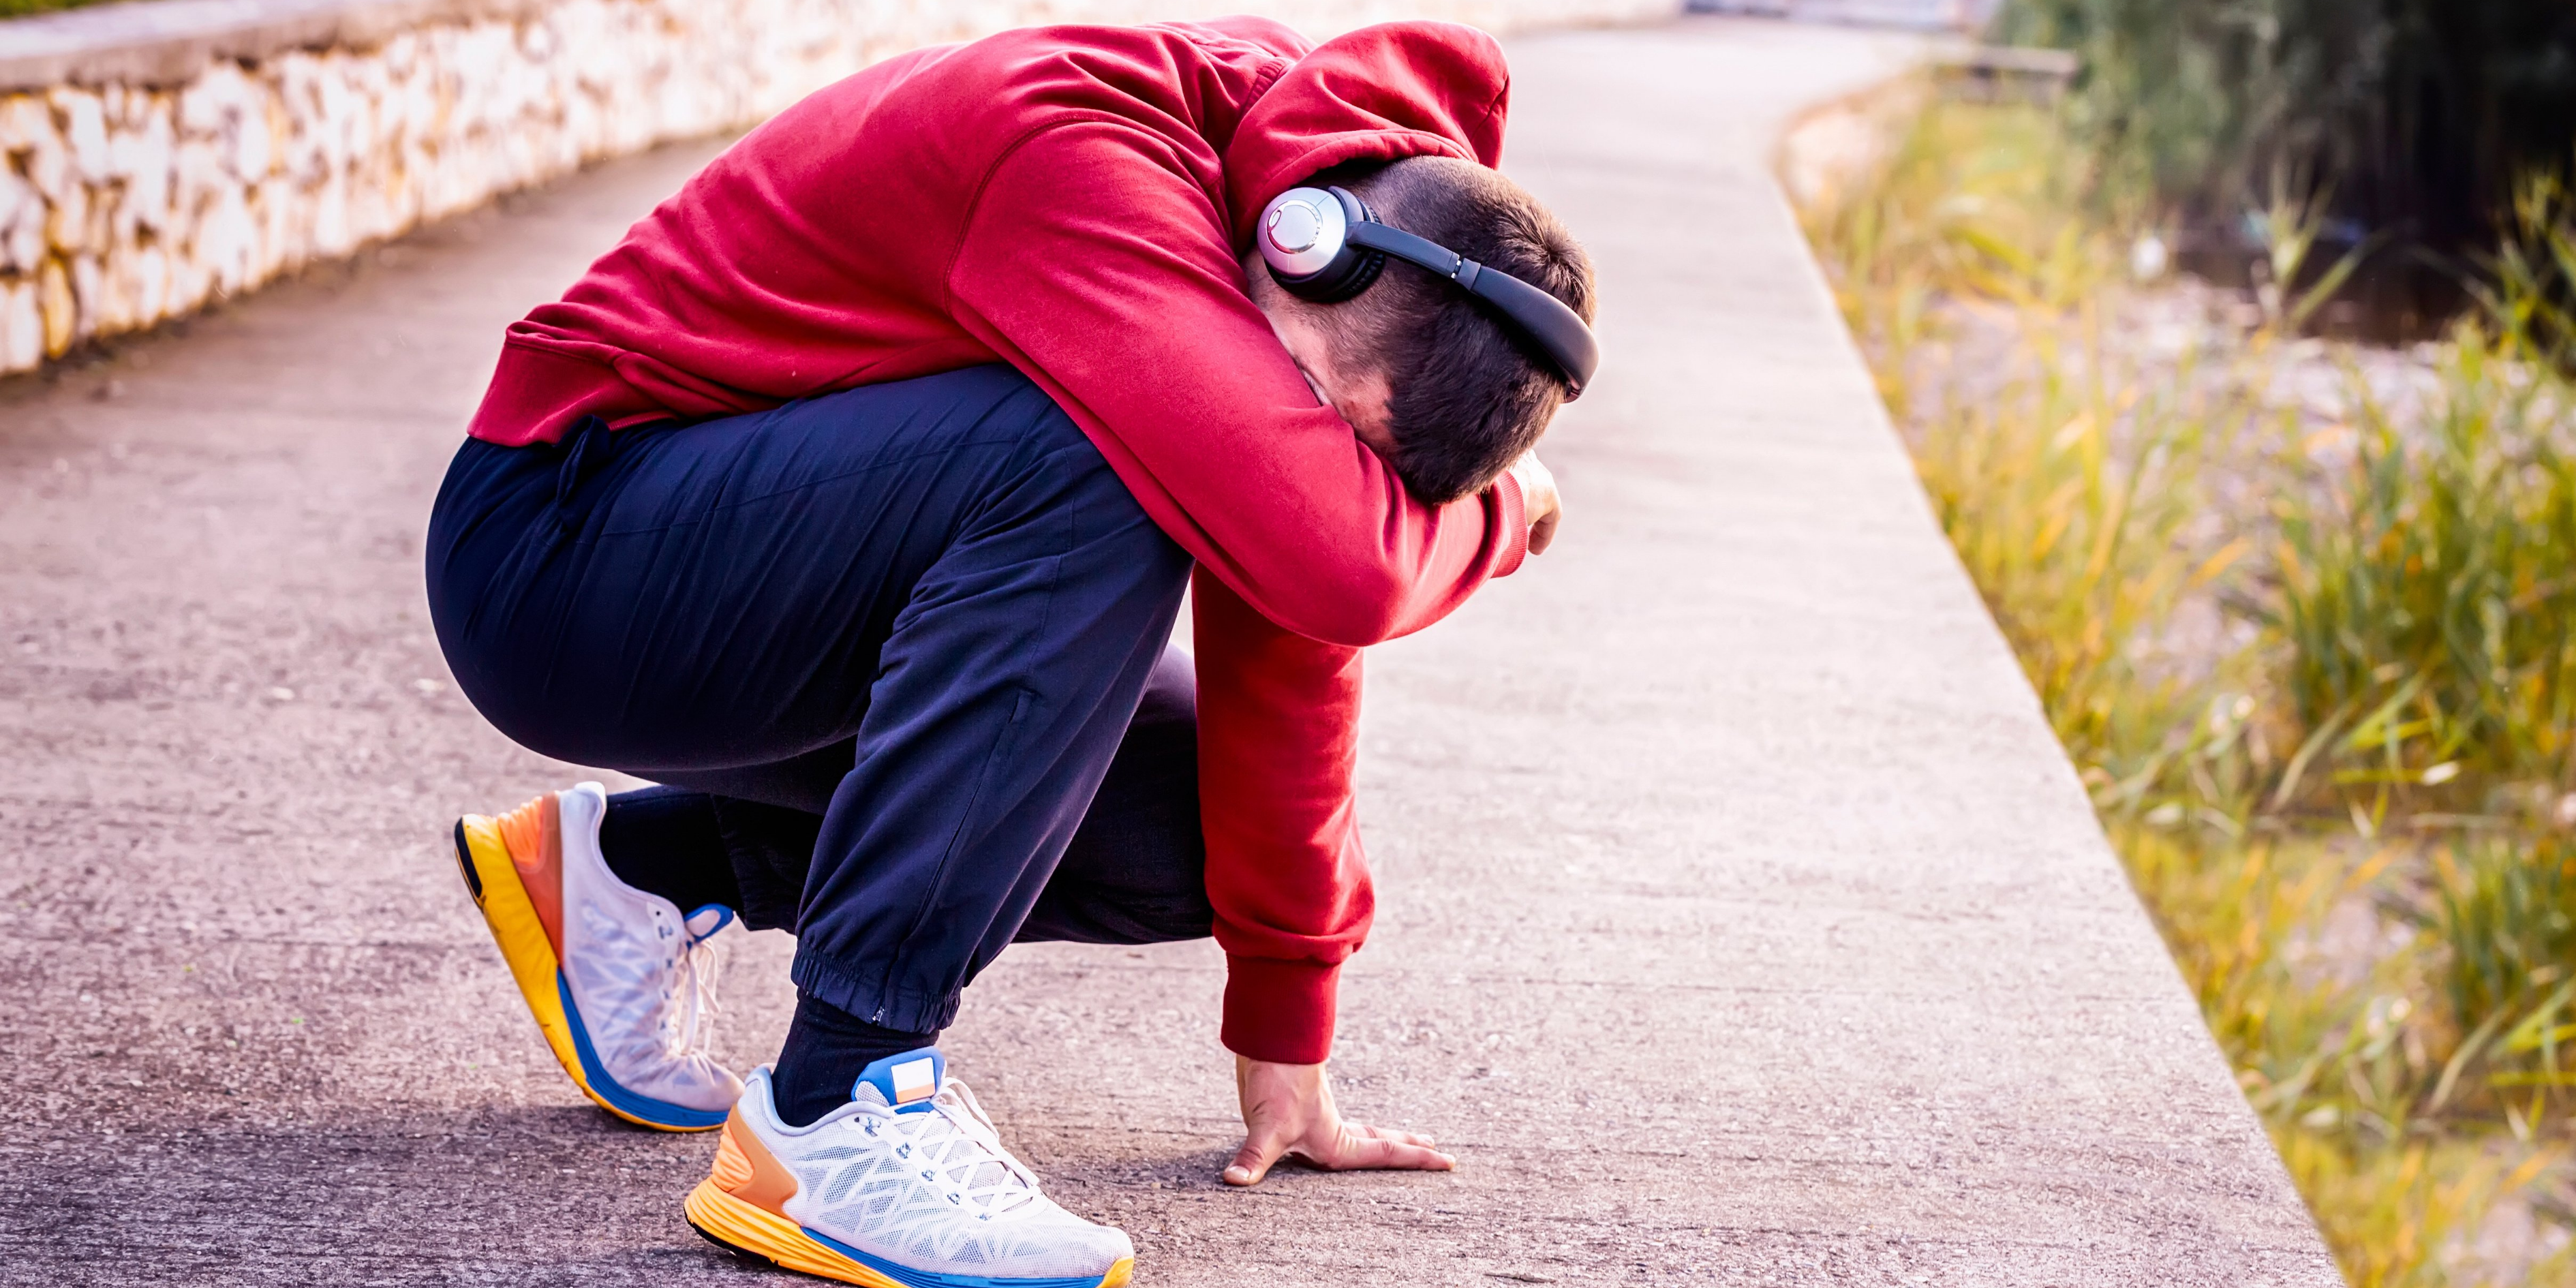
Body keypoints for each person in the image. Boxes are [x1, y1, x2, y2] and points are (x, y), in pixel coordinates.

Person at [425, 16, 1595, 1287]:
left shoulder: (1319, 198)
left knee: (1194, 835)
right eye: (1317, 417)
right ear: (1300, 246)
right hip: (564, 551)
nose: (1306, 449)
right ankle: (839, 1105)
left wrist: (1285, 1027)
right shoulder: (1081, 152)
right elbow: (1337, 555)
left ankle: (631, 872)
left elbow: (1299, 598)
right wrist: (1504, 512)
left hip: (777, 588)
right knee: (1094, 461)